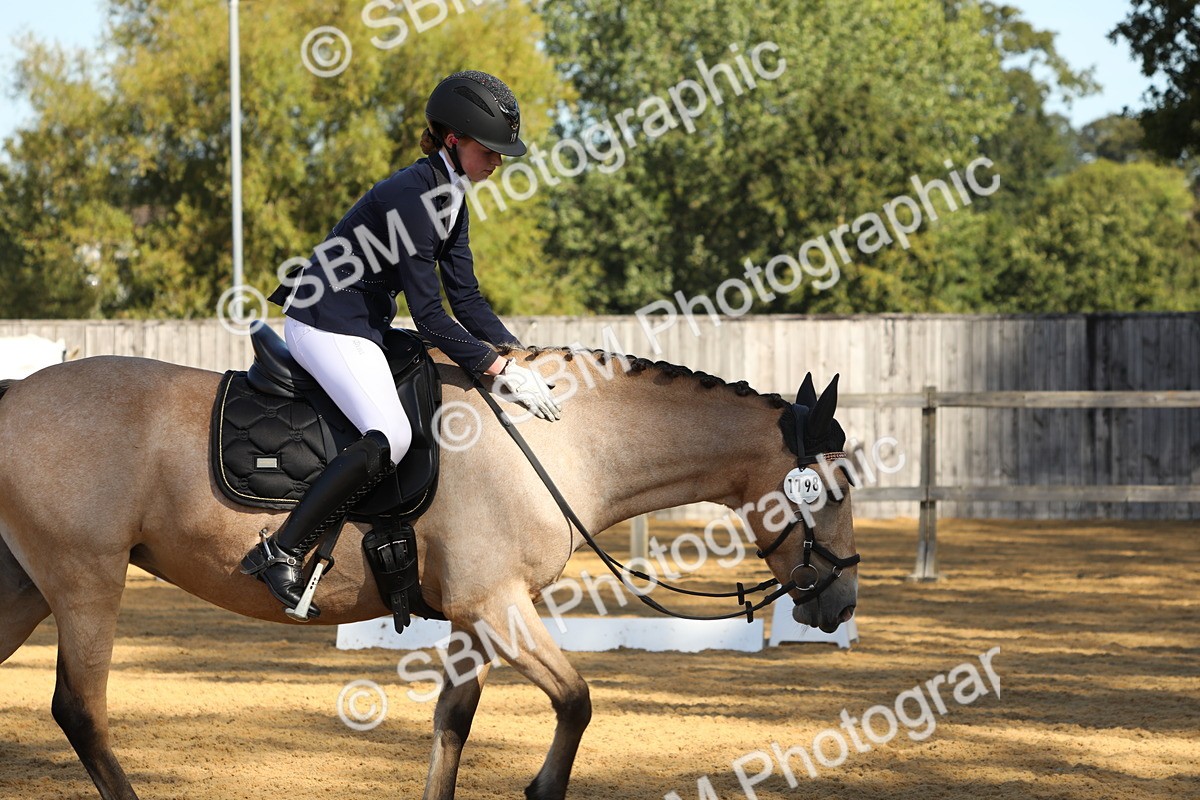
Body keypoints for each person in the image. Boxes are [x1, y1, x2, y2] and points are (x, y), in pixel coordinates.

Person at [241, 70, 561, 619]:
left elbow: (467, 298)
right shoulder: (416, 196)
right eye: (491, 150)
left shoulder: (451, 195)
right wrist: (494, 366)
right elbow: (432, 317)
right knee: (389, 433)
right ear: (454, 141)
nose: (499, 163)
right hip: (326, 320)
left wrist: (522, 355)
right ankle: (282, 550)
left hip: (362, 319)